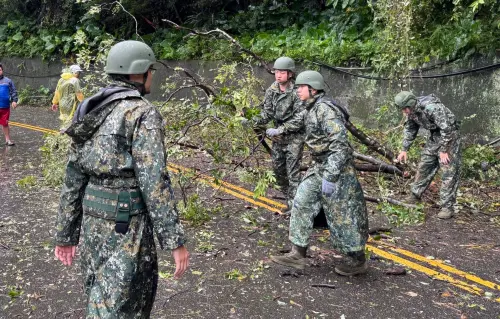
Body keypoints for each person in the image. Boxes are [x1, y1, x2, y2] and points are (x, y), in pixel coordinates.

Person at [54, 40, 189, 317]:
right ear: (140, 72)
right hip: (127, 226)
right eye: (151, 70)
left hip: (93, 224)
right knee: (126, 306)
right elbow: (155, 183)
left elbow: (73, 178)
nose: (153, 75)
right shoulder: (141, 113)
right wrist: (174, 241)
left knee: (99, 298)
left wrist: (66, 234)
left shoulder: (91, 110)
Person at [270, 70, 369, 276]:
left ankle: (357, 260)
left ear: (312, 89)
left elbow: (340, 146)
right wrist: (280, 130)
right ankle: (298, 253)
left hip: (337, 169)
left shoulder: (326, 110)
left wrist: (331, 176)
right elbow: (299, 122)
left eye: (300, 87)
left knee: (344, 215)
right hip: (319, 166)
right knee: (302, 200)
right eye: (296, 87)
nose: (297, 91)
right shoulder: (310, 107)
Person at [246, 57, 305, 213]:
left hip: (294, 137)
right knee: (278, 172)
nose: (278, 75)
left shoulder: (297, 91)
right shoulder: (272, 89)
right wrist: (252, 119)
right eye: (276, 72)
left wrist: (282, 129)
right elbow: (267, 113)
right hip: (278, 138)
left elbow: (301, 116)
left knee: (293, 173)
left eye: (282, 72)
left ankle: (296, 207)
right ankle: (290, 200)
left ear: (290, 74)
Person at [395, 91, 461, 219]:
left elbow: (447, 129)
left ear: (411, 104)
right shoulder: (412, 111)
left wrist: (444, 150)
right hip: (434, 137)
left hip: (450, 137)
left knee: (448, 171)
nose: (404, 111)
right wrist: (404, 149)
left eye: (405, 108)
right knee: (425, 164)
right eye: (402, 109)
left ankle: (447, 207)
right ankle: (415, 195)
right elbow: (410, 128)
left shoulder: (432, 108)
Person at [0, 63, 18, 146]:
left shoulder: (8, 81)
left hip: (5, 107)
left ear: (2, 70)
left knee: (5, 124)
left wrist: (14, 101)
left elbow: (13, 91)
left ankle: (8, 140)